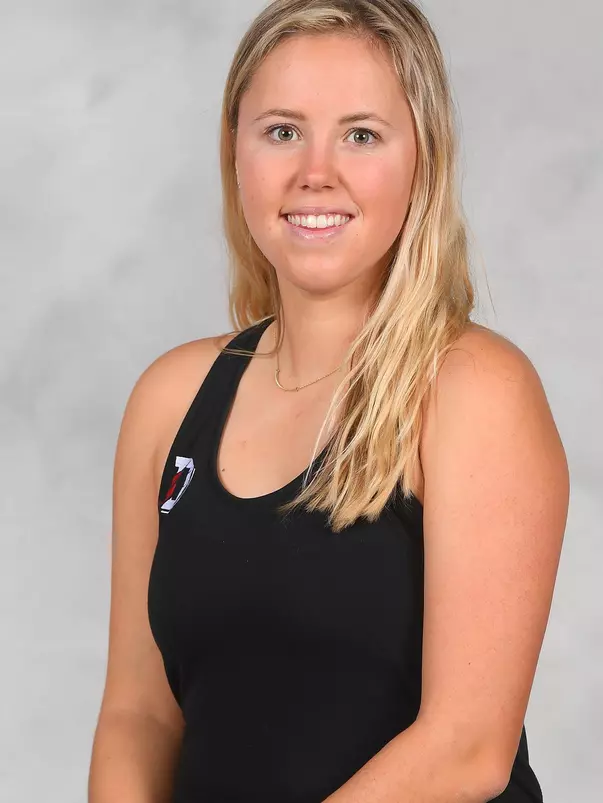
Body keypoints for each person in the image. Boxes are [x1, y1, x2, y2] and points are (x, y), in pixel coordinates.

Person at [88, 1, 569, 801]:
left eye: (360, 135)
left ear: (422, 158)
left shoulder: (474, 390)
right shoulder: (170, 397)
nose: (316, 172)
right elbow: (138, 714)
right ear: (234, 150)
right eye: (281, 131)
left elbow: (466, 746)